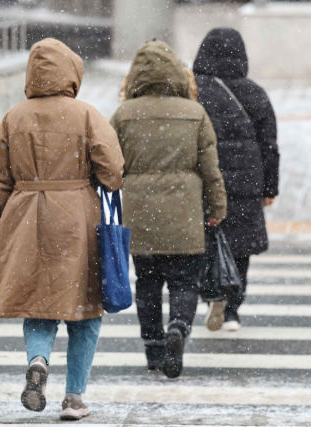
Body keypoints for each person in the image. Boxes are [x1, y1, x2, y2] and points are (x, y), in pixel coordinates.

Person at [0, 38, 124, 420]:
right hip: (78, 220)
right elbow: (112, 172)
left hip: (27, 217)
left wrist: (11, 209)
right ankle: (74, 398)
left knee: (39, 305)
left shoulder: (15, 116)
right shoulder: (86, 115)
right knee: (85, 311)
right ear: (72, 72)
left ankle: (39, 361)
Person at [111, 40, 227, 378]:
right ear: (177, 74)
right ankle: (178, 328)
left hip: (139, 214)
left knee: (146, 283)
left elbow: (109, 166)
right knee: (184, 282)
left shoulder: (123, 115)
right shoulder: (194, 113)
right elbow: (210, 169)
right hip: (185, 214)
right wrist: (217, 207)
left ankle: (153, 350)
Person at [193, 28, 280, 332]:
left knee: (206, 240)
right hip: (246, 185)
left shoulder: (194, 91)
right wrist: (270, 188)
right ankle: (231, 309)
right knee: (240, 248)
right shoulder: (255, 94)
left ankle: (210, 294)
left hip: (205, 182)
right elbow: (269, 145)